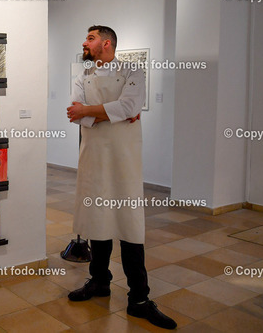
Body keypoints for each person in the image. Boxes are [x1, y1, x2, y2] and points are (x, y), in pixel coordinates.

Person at [66, 25, 176, 330]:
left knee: (129, 225)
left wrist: (92, 111)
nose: (84, 42)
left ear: (106, 43)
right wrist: (112, 113)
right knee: (97, 220)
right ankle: (99, 281)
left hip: (124, 161)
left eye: (90, 38)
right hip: (94, 158)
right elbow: (76, 114)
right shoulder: (82, 76)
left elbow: (129, 105)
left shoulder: (132, 71)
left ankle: (139, 298)